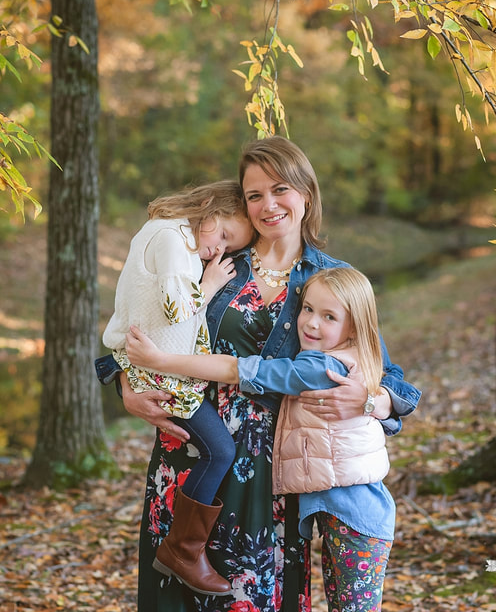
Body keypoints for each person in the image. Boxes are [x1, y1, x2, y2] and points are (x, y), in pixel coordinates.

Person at [95, 136, 422, 612]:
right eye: (254, 195)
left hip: (269, 466)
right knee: (178, 593)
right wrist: (125, 385)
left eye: (280, 189)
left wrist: (375, 403)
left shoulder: (329, 279)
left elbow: (389, 375)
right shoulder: (218, 258)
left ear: (306, 194)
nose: (268, 205)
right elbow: (149, 323)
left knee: (251, 594)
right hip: (194, 450)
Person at [125, 266, 396, 611]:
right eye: (307, 309)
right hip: (341, 513)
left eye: (329, 316)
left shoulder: (321, 369)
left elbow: (238, 370)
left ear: (353, 326)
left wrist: (161, 360)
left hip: (356, 517)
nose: (311, 323)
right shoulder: (343, 355)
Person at [101, 181, 253, 596]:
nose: (216, 250)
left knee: (214, 450)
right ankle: (182, 550)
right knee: (219, 450)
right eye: (221, 235)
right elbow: (174, 309)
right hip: (161, 375)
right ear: (208, 206)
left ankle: (182, 549)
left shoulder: (176, 236)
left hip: (158, 368)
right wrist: (211, 283)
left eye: (228, 246)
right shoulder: (171, 237)